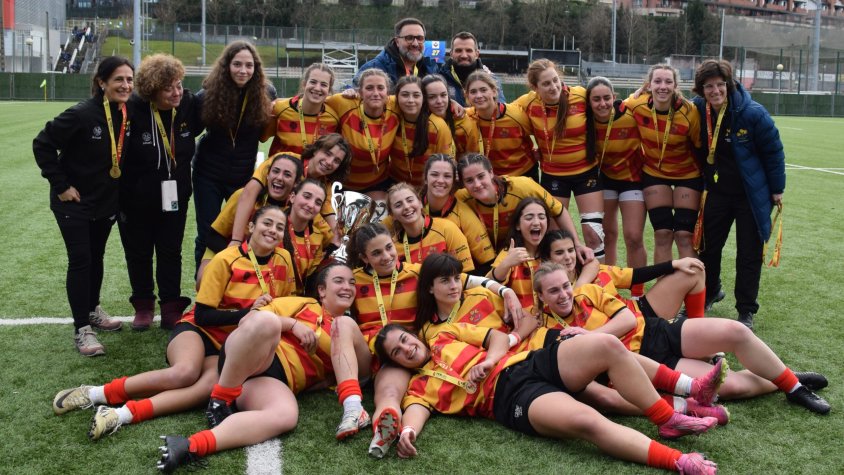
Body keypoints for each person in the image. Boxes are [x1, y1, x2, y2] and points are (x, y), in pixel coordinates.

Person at [51, 206, 296, 440]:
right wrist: (246, 314)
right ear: (251, 226)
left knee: (207, 388)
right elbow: (203, 315)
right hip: (200, 330)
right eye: (267, 223)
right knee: (184, 373)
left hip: (231, 343)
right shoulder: (225, 259)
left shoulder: (284, 259)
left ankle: (121, 414)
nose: (273, 230)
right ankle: (95, 393)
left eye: (279, 227)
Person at [375, 324, 720, 472]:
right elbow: (415, 414)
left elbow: (495, 336)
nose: (407, 348)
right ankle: (677, 460)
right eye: (398, 351)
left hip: (527, 362)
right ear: (395, 361)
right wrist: (408, 433)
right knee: (587, 421)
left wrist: (490, 360)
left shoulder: (442, 335)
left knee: (608, 346)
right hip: (510, 398)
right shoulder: (418, 389)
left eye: (405, 339)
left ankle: (670, 414)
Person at [532, 261, 831, 414]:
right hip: (644, 365)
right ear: (542, 298)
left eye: (564, 286)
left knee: (735, 331)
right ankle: (788, 378)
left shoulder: (588, 292)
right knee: (730, 387)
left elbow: (625, 319)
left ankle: (793, 388)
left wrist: (590, 335)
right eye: (553, 291)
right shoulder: (549, 331)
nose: (563, 294)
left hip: (655, 333)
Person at [156, 263, 356, 473]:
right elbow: (250, 320)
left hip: (272, 382)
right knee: (267, 321)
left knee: (286, 416)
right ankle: (220, 399)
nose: (347, 287)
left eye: (352, 283)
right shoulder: (304, 303)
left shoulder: (348, 329)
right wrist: (293, 325)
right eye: (339, 281)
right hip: (249, 358)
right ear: (322, 290)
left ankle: (190, 445)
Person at [345, 223, 522, 457]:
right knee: (387, 392)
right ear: (363, 258)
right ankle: (370, 420)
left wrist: (505, 291)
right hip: (379, 355)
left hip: (411, 351)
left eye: (389, 248)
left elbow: (468, 279)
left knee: (388, 395)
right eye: (376, 253)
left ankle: (382, 433)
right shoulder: (354, 281)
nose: (386, 256)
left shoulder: (416, 272)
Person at [33, 56, 131, 356]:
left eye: (129, 80)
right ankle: (82, 330)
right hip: (73, 202)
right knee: (81, 259)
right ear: (102, 83)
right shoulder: (80, 114)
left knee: (97, 256)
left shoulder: (125, 112)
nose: (125, 85)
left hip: (104, 202)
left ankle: (91, 310)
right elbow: (42, 143)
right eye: (118, 80)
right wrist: (60, 185)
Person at [691, 60, 786, 330]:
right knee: (708, 248)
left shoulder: (753, 113)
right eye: (709, 86)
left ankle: (746, 309)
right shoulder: (698, 109)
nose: (715, 90)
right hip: (717, 193)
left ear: (729, 85)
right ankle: (710, 292)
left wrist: (777, 189)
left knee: (749, 253)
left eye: (720, 84)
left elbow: (774, 152)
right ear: (701, 90)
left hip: (751, 196)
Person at [120, 53, 202, 330]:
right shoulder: (132, 108)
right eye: (169, 88)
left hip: (175, 196)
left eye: (179, 85)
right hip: (135, 198)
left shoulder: (189, 104)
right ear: (151, 90)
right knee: (138, 252)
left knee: (170, 250)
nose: (177, 92)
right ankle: (143, 305)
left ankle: (170, 304)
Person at [193, 41, 276, 270]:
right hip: (207, 175)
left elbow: (265, 133)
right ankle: (203, 291)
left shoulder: (266, 93)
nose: (243, 70)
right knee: (207, 233)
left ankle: (234, 287)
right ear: (226, 66)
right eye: (237, 64)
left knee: (239, 232)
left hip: (242, 178)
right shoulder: (207, 95)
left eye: (249, 65)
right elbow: (189, 128)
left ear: (256, 68)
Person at [516, 59, 605, 260]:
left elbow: (607, 104)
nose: (553, 87)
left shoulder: (581, 95)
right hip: (553, 176)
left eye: (555, 80)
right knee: (555, 237)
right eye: (546, 84)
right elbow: (501, 112)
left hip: (587, 172)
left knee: (594, 234)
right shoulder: (528, 103)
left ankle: (600, 284)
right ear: (535, 87)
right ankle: (560, 284)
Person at [624, 64, 702, 265]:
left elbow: (699, 146)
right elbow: (614, 109)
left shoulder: (689, 111)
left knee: (684, 236)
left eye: (668, 81)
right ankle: (663, 292)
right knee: (663, 234)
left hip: (688, 174)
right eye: (657, 81)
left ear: (675, 85)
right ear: (649, 84)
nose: (663, 86)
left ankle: (689, 291)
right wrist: (634, 94)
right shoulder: (636, 104)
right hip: (654, 173)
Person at [540, 229, 708, 320]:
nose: (568, 257)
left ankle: (697, 328)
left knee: (694, 269)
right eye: (559, 253)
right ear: (548, 258)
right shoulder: (552, 293)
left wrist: (673, 264)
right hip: (623, 331)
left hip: (639, 311)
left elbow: (636, 275)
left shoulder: (593, 269)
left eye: (570, 250)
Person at [455, 153, 590, 262]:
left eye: (481, 176)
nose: (477, 184)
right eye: (469, 180)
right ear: (463, 183)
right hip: (488, 258)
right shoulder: (461, 198)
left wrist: (577, 244)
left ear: (491, 172)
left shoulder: (523, 186)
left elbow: (559, 211)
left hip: (524, 251)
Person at [196, 153, 302, 284]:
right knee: (204, 280)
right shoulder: (243, 196)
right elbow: (213, 238)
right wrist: (242, 259)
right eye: (275, 171)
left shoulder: (295, 210)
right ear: (267, 175)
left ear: (296, 183)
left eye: (287, 175)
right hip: (228, 250)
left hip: (267, 263)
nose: (279, 178)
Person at [586, 77, 647, 296]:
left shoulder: (630, 112)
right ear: (589, 102)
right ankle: (609, 287)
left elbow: (645, 100)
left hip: (633, 178)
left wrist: (645, 87)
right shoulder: (585, 119)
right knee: (608, 234)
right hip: (604, 179)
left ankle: (637, 292)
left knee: (633, 236)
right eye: (596, 99)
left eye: (606, 98)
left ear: (614, 97)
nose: (602, 103)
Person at [325, 68, 401, 200]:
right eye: (369, 88)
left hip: (378, 184)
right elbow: (313, 99)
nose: (376, 93)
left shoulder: (396, 105)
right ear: (360, 92)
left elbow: (421, 99)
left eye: (380, 88)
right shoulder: (344, 103)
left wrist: (450, 103)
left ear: (387, 92)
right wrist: (275, 103)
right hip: (342, 184)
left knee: (380, 218)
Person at [419, 154, 495, 273]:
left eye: (447, 176)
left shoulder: (464, 214)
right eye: (434, 174)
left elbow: (488, 262)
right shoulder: (410, 207)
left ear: (454, 181)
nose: (440, 180)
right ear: (425, 178)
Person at [464, 71, 537, 178]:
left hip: (523, 175)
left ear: (494, 91)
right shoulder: (467, 117)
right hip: (492, 178)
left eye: (483, 90)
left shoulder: (516, 115)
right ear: (467, 96)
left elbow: (538, 132)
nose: (479, 95)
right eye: (473, 92)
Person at [386, 182, 473, 272]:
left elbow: (466, 272)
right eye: (398, 205)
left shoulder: (446, 228)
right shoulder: (393, 248)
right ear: (392, 215)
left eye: (410, 200)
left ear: (420, 203)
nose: (406, 207)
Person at [388, 76, 454, 188]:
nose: (410, 100)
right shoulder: (391, 117)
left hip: (426, 187)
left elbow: (447, 165)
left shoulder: (438, 126)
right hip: (394, 183)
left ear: (423, 98)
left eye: (416, 95)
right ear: (396, 97)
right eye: (404, 95)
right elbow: (375, 97)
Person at [264, 63, 340, 157]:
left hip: (312, 171)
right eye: (313, 82)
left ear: (329, 90)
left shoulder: (333, 119)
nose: (317, 88)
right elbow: (262, 137)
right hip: (282, 170)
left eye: (323, 85)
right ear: (304, 84)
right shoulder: (279, 108)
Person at [488, 198, 550, 308]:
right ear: (517, 225)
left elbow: (589, 264)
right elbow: (487, 285)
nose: (536, 222)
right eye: (529, 218)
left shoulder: (553, 251)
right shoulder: (510, 253)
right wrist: (506, 264)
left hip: (552, 319)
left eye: (541, 217)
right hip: (521, 321)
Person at [354, 18, 438, 88]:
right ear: (397, 41)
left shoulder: (431, 68)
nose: (415, 44)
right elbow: (354, 90)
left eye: (420, 38)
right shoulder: (375, 67)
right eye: (409, 38)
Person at [283, 179, 333, 294]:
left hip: (296, 302)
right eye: (306, 196)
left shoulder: (317, 238)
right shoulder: (273, 227)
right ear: (292, 197)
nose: (311, 205)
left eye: (318, 203)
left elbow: (310, 280)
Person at [438, 31, 505, 106]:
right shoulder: (440, 79)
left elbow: (500, 111)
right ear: (451, 54)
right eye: (458, 50)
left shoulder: (492, 80)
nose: (464, 55)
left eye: (469, 50)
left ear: (477, 54)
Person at [422, 74, 480, 156]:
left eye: (443, 95)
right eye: (432, 97)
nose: (439, 101)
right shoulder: (417, 121)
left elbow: (472, 157)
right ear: (423, 99)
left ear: (448, 96)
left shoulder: (463, 122)